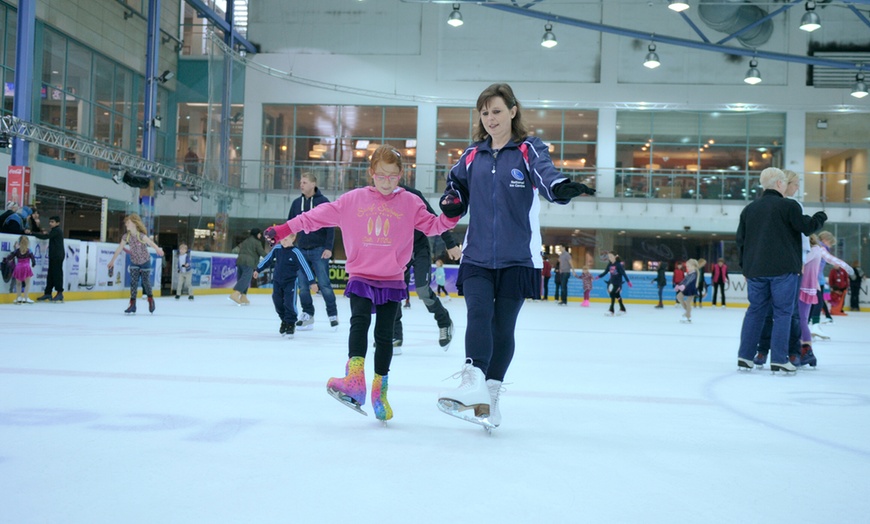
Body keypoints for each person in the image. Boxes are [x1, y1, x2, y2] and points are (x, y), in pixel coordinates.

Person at [435, 83, 595, 429]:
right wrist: (451, 200)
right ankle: (471, 382)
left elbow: (546, 175)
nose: (490, 118)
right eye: (484, 112)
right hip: (476, 254)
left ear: (513, 111)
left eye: (496, 111)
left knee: (502, 326)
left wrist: (559, 187)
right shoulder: (472, 154)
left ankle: (490, 399)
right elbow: (455, 185)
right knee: (478, 314)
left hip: (517, 258)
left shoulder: (528, 149)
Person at [264, 145, 460, 422]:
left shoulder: (410, 202)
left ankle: (380, 391)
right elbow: (314, 217)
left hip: (392, 277)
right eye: (381, 176)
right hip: (361, 275)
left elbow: (433, 226)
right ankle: (355, 381)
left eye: (393, 177)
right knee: (359, 322)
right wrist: (285, 229)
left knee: (384, 335)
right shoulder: (352, 200)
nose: (387, 182)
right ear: (371, 174)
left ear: (401, 174)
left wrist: (452, 214)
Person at [735, 167, 826, 373]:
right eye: (785, 182)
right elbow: (807, 227)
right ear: (778, 184)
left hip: (755, 269)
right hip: (783, 270)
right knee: (783, 313)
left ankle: (745, 356)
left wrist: (745, 267)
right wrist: (821, 216)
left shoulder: (749, 209)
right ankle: (778, 359)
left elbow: (740, 241)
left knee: (755, 311)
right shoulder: (789, 206)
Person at [392, 181, 461, 350]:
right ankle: (395, 335)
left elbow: (434, 219)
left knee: (422, 289)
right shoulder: (374, 196)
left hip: (419, 248)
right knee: (394, 292)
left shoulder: (412, 194)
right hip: (396, 251)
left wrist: (450, 244)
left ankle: (444, 321)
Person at [287, 172, 340, 330]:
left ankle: (332, 314)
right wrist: (289, 245)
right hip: (301, 250)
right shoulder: (297, 203)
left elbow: (331, 226)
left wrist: (328, 248)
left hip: (319, 250)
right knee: (303, 286)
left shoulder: (323, 202)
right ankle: (308, 314)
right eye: (301, 182)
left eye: (304, 182)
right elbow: (290, 225)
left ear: (313, 184)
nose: (301, 185)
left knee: (324, 284)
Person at [797, 235, 853, 367]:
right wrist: (845, 266)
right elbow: (832, 259)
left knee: (801, 320)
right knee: (801, 319)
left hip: (805, 288)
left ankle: (806, 350)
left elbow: (802, 262)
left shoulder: (813, 250)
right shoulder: (818, 250)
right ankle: (802, 349)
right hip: (809, 287)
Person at [254, 232, 318, 337]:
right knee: (277, 301)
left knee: (289, 303)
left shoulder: (296, 252)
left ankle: (290, 323)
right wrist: (258, 269)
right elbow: (267, 260)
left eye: (286, 240)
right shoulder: (277, 249)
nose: (284, 242)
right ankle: (284, 320)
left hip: (290, 282)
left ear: (293, 238)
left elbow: (305, 267)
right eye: (282, 239)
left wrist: (312, 282)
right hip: (277, 281)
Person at [108, 213, 165, 314]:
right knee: (133, 283)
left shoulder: (141, 235)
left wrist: (157, 250)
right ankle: (132, 305)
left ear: (134, 223)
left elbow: (150, 243)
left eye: (128, 223)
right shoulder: (126, 236)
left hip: (145, 261)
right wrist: (112, 261)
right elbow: (120, 248)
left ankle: (151, 300)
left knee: (145, 282)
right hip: (134, 261)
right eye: (126, 223)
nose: (126, 225)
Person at [230, 228, 267, 305]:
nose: (260, 235)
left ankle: (243, 296)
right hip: (249, 262)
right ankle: (236, 294)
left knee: (241, 277)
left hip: (240, 261)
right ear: (256, 234)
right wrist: (270, 257)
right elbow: (262, 252)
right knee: (246, 278)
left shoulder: (246, 241)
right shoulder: (257, 242)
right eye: (260, 234)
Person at [33, 216, 66, 302]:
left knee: (57, 274)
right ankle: (48, 292)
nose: (50, 223)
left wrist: (33, 233)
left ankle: (59, 293)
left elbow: (46, 237)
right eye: (50, 221)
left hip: (57, 256)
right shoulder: (54, 230)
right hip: (54, 255)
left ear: (57, 223)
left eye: (52, 222)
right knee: (50, 274)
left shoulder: (57, 230)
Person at [4, 235, 36, 303]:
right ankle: (25, 297)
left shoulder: (17, 251)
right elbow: (33, 259)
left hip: (18, 267)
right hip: (26, 267)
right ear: (27, 242)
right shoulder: (29, 251)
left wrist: (6, 260)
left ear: (19, 242)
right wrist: (33, 263)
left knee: (18, 284)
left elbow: (10, 257)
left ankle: (18, 297)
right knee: (27, 283)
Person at [675, 258, 698, 323]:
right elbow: (684, 280)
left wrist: (683, 285)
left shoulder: (694, 274)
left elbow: (688, 281)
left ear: (693, 266)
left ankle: (687, 316)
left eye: (688, 266)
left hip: (691, 289)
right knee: (679, 296)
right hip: (686, 288)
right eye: (687, 266)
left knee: (688, 302)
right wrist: (679, 285)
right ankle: (688, 312)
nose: (687, 268)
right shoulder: (689, 273)